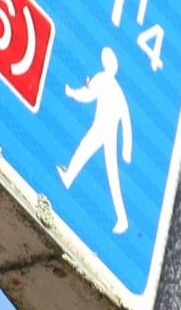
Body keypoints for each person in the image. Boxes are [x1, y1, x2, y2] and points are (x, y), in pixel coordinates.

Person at [57, 46, 134, 233]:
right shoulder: (115, 88)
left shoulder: (103, 79)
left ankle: (122, 218)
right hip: (107, 132)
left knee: (102, 165)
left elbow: (88, 95)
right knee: (110, 172)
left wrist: (71, 92)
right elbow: (126, 122)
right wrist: (126, 150)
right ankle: (68, 177)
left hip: (102, 129)